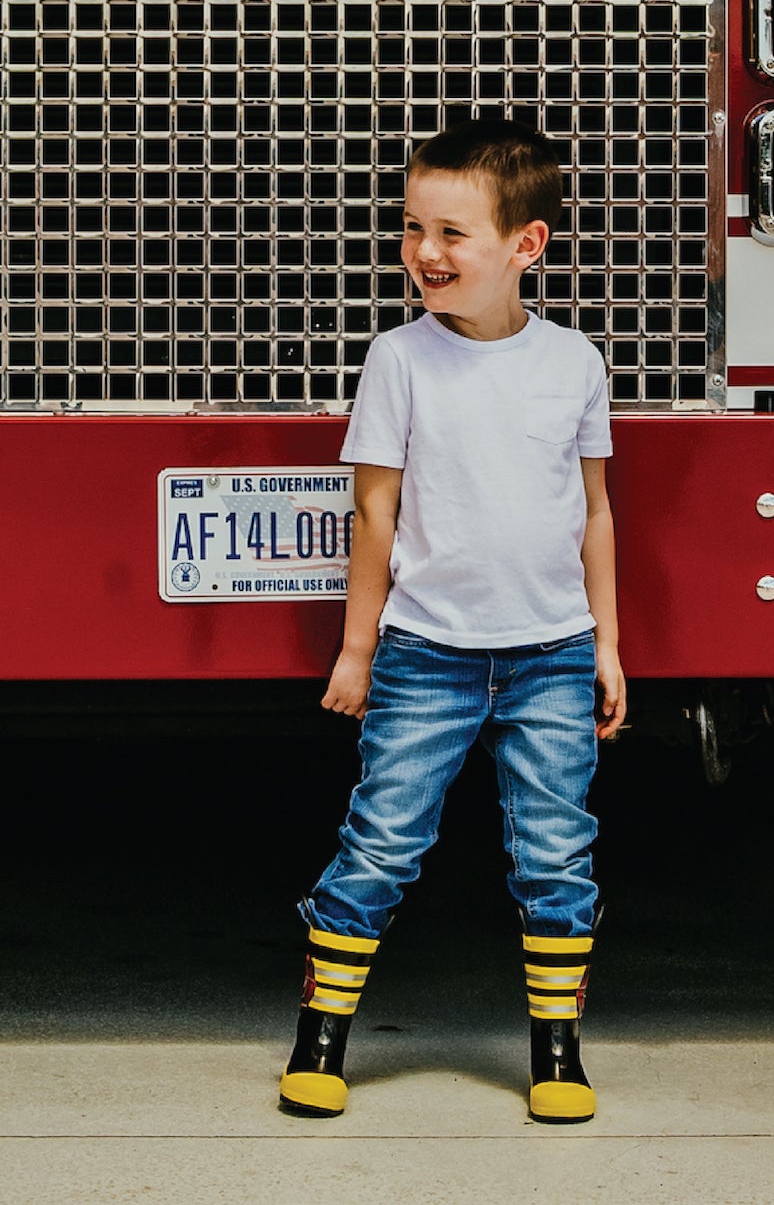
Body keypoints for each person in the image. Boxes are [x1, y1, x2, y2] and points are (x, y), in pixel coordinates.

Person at [278, 116, 626, 1124]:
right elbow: (374, 509)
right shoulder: (399, 358)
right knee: (382, 838)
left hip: (551, 649)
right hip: (425, 651)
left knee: (555, 848)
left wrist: (605, 642)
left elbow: (594, 507)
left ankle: (556, 1051)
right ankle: (321, 1036)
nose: (424, 252)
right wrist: (358, 646)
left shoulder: (575, 362)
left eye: (451, 232)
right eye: (409, 227)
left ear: (526, 244)